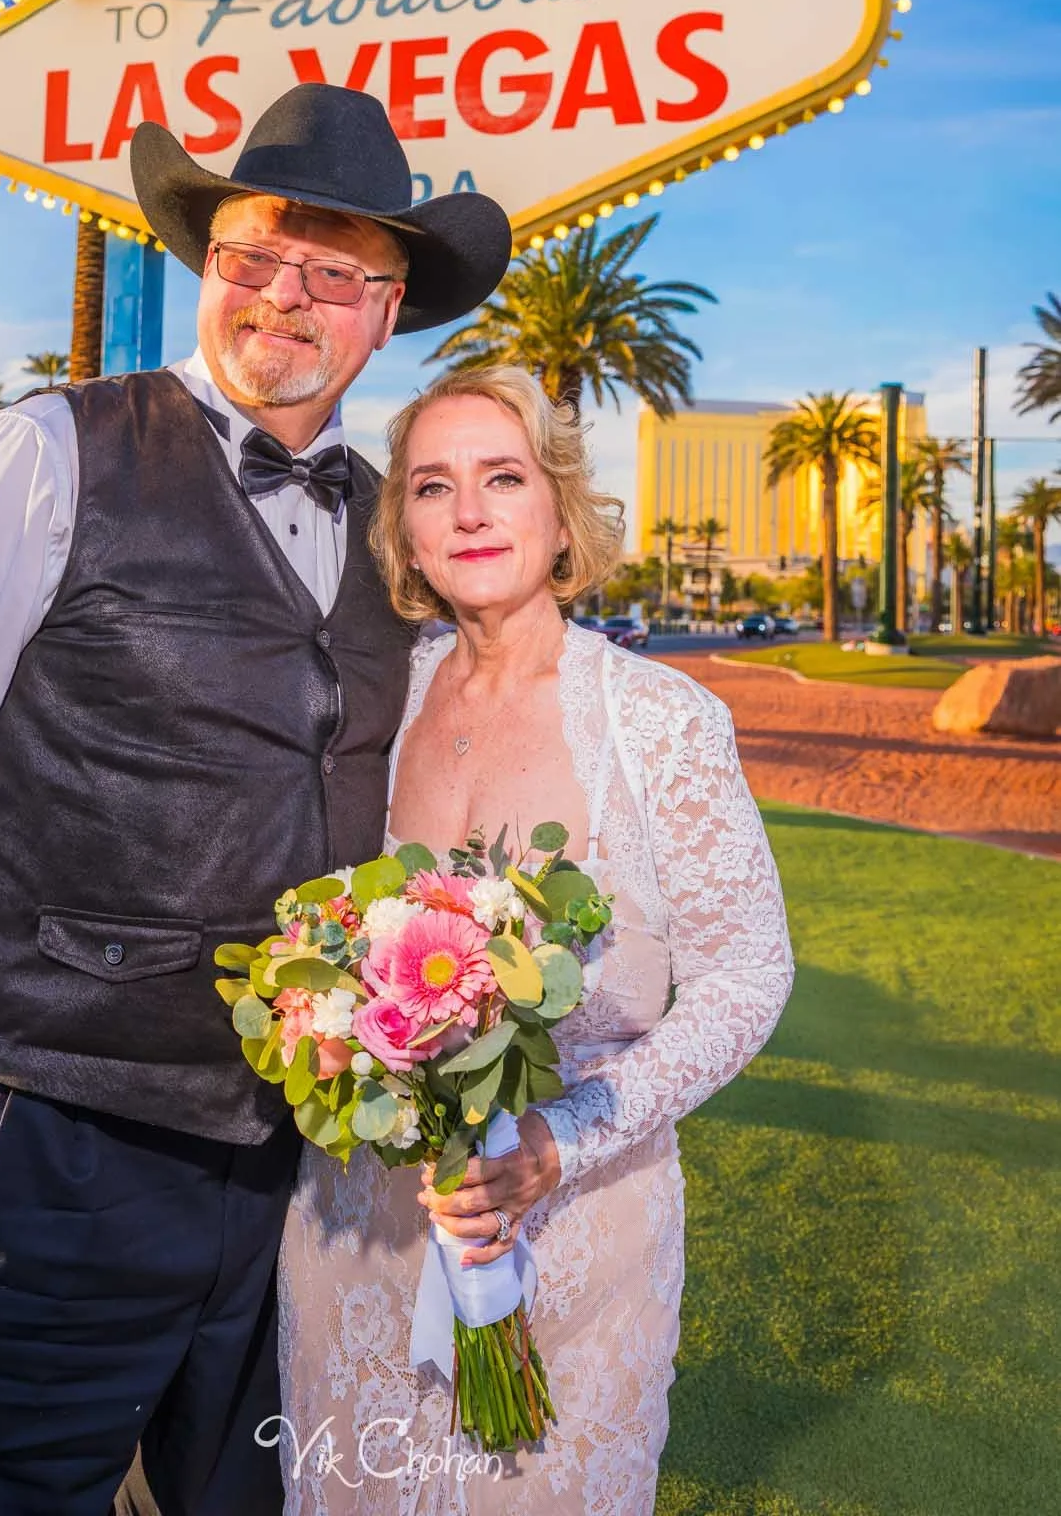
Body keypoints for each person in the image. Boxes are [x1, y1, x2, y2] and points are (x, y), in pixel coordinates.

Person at [0, 84, 512, 1516]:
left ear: (387, 315)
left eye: (334, 275)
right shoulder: (51, 451)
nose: (283, 297)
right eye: (253, 255)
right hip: (50, 1141)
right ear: (206, 264)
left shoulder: (392, 526)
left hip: (294, 1173)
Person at [278, 365, 794, 1515]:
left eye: (502, 477)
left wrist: (564, 1135)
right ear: (402, 533)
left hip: (577, 1237)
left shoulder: (660, 722)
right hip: (361, 1229)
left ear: (561, 513)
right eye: (432, 486)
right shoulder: (370, 709)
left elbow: (752, 971)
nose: (468, 511)